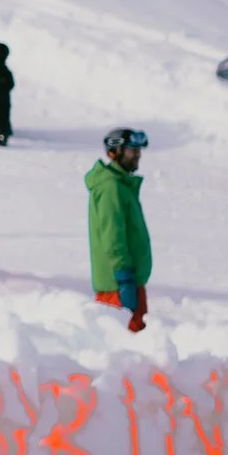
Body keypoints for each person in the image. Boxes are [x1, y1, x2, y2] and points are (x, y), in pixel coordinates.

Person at [87, 128, 152, 333]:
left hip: (130, 280)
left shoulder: (122, 185)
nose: (138, 155)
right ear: (116, 151)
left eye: (138, 150)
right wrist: (123, 275)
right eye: (132, 150)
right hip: (118, 285)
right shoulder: (110, 187)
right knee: (123, 342)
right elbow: (112, 234)